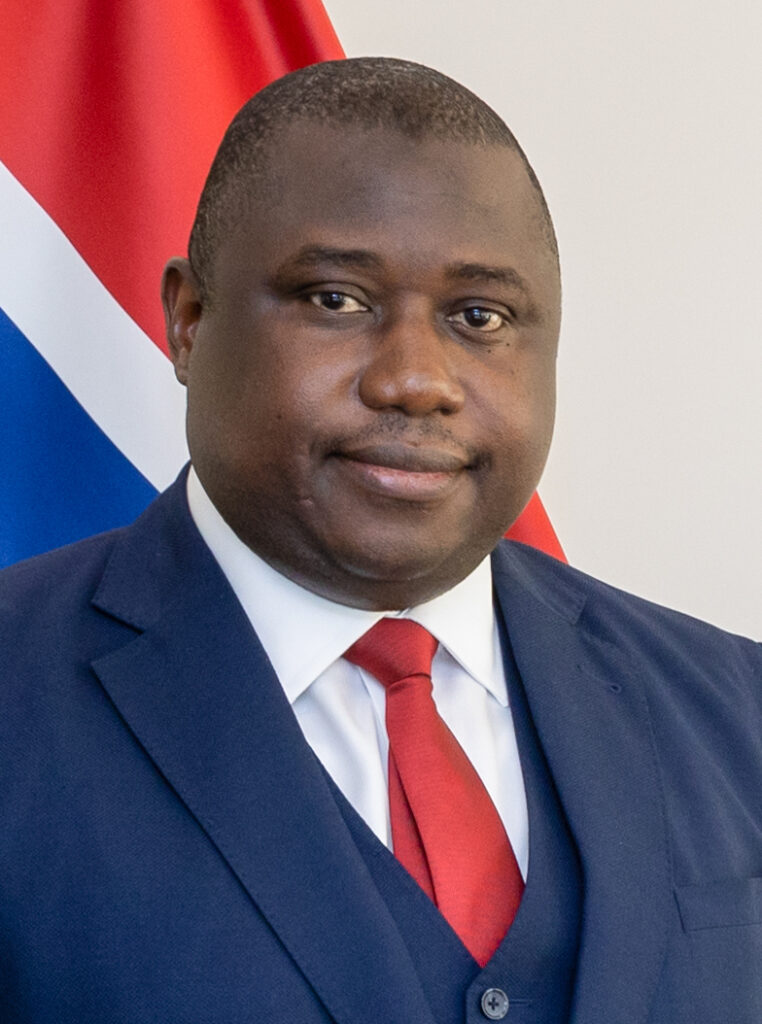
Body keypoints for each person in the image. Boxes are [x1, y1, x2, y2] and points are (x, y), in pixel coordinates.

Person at [0, 57, 760, 1024]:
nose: (415, 380)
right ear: (188, 322)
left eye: (479, 316)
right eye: (336, 299)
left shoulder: (738, 708)